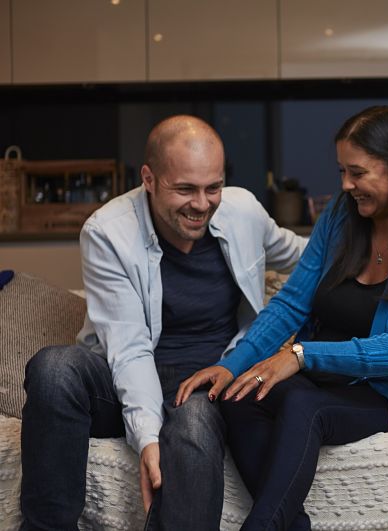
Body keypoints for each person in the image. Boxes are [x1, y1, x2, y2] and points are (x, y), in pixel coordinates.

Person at [176, 106, 388, 530]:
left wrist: (301, 356)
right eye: (342, 171)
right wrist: (230, 366)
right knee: (240, 395)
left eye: (358, 172)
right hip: (320, 379)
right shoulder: (340, 217)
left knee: (303, 403)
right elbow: (291, 303)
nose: (346, 185)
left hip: (386, 392)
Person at [19, 115, 307, 530]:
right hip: (122, 378)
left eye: (213, 187)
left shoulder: (243, 210)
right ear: (149, 179)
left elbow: (306, 257)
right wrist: (148, 438)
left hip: (206, 381)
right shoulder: (108, 232)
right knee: (54, 368)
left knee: (192, 422)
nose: (202, 204)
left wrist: (379, 244)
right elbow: (129, 346)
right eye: (185, 189)